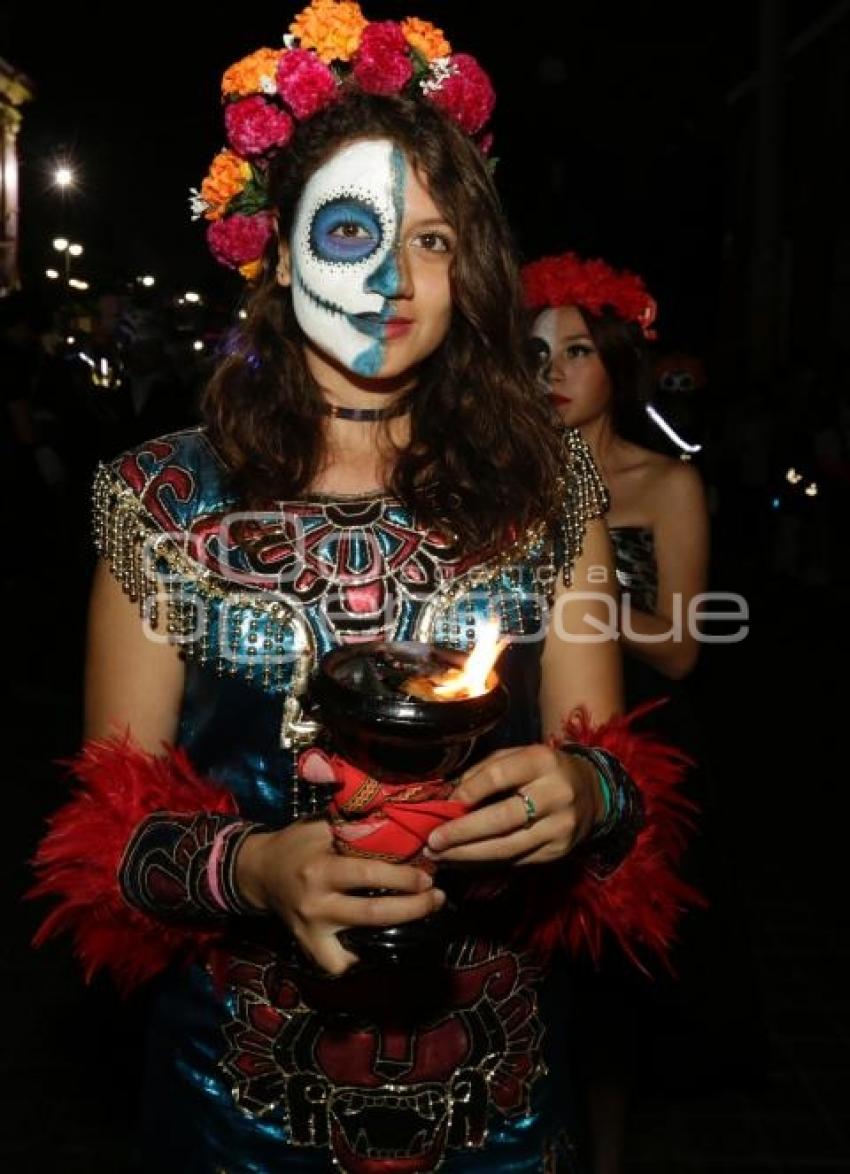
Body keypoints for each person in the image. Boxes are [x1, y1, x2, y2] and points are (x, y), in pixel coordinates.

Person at [32, 8, 694, 1171]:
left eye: (433, 242)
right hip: (233, 1103)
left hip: (497, 1095)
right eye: (352, 230)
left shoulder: (553, 488)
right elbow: (110, 842)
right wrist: (256, 868)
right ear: (281, 254)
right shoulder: (162, 501)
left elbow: (617, 776)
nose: (394, 278)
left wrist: (585, 800)